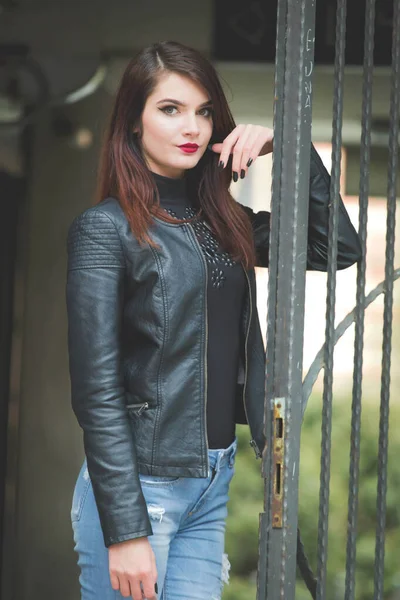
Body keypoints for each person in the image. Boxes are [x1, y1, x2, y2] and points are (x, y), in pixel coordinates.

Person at [66, 41, 361, 600]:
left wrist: (293, 148)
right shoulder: (105, 230)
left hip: (210, 481)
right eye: (170, 109)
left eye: (204, 111)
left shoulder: (224, 224)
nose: (193, 126)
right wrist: (126, 528)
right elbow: (96, 391)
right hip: (141, 488)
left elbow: (337, 248)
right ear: (134, 122)